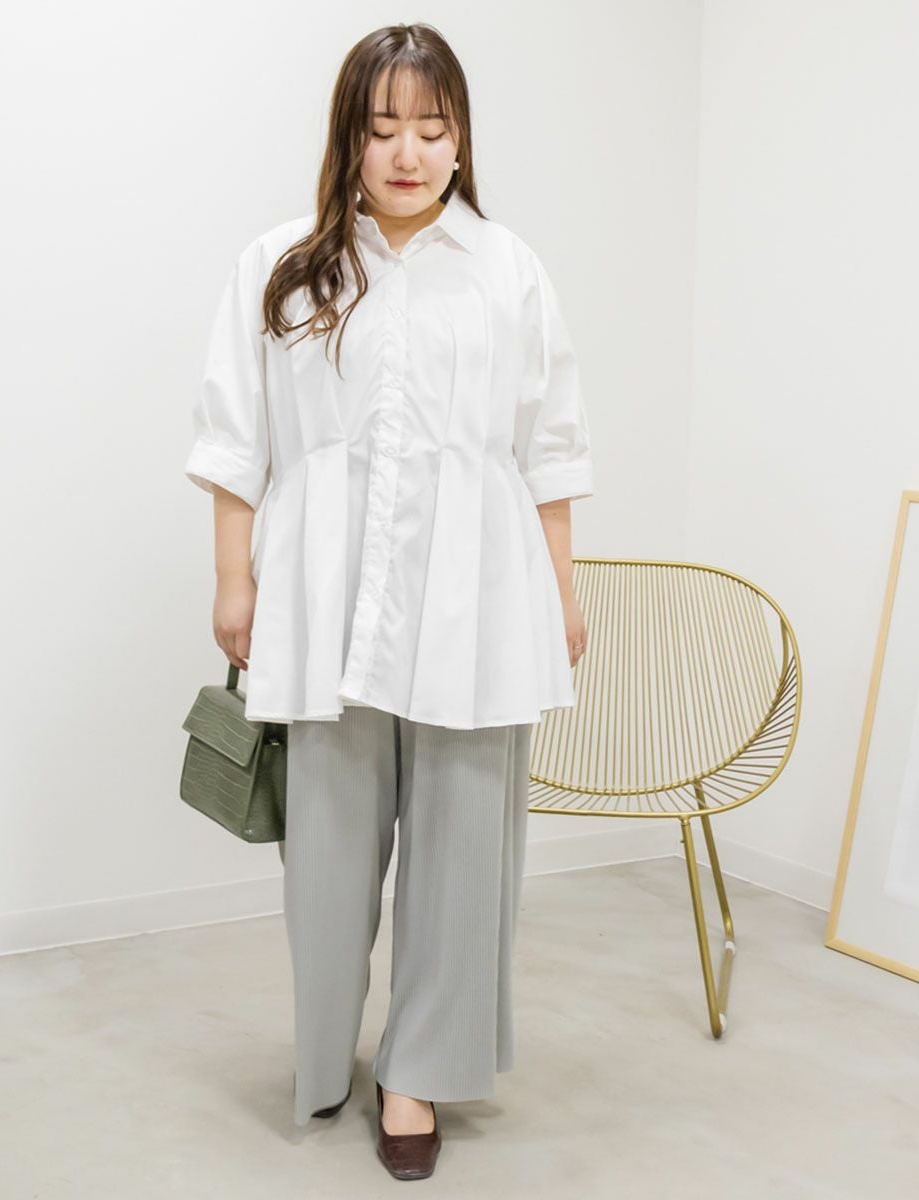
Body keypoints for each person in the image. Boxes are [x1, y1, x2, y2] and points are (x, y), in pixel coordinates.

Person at [184, 22, 594, 1182]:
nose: (408, 152)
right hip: (324, 596)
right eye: (382, 129)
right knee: (324, 858)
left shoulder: (507, 268)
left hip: (481, 593)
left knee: (465, 853)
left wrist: (560, 595)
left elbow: (549, 448)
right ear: (348, 140)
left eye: (430, 126)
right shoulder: (283, 264)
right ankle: (326, 1055)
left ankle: (414, 1074)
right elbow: (235, 440)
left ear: (460, 139)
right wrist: (232, 577)